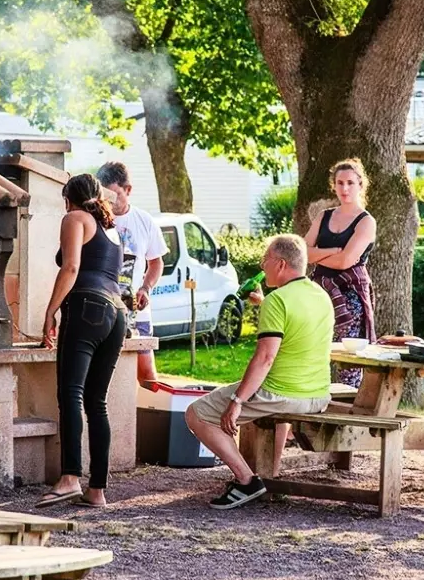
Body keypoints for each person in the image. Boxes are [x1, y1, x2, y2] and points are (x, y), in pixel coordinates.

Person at [185, 234, 335, 510]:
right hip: (318, 393)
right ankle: (270, 476)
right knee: (257, 403)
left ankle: (246, 481)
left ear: (279, 264)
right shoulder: (321, 296)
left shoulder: (278, 301)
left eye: (264, 260)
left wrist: (237, 401)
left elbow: (265, 357)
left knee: (197, 413)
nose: (262, 266)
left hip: (283, 392)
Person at [36, 173, 126, 509]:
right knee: (96, 401)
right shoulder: (112, 230)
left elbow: (71, 267)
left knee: (71, 392)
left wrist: (50, 311)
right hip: (117, 313)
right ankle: (97, 490)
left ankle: (70, 477)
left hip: (88, 306)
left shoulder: (75, 218)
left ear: (69, 198)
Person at [305, 159, 377, 388]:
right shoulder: (323, 216)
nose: (344, 189)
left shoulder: (366, 222)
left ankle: (349, 413)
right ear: (333, 185)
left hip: (350, 298)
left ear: (360, 185)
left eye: (350, 183)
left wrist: (318, 254)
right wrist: (332, 251)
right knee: (313, 351)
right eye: (340, 183)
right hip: (318, 293)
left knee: (348, 361)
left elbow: (347, 261)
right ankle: (312, 408)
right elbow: (302, 253)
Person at [95, 161, 168, 384]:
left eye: (115, 194)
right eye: (104, 194)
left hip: (137, 312)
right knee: (107, 374)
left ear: (128, 190)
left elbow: (156, 263)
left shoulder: (144, 221)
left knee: (147, 375)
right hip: (103, 309)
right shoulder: (95, 219)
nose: (109, 200)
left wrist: (146, 287)